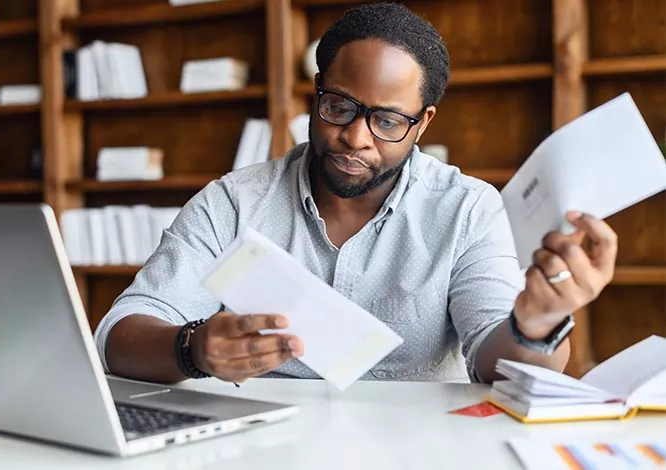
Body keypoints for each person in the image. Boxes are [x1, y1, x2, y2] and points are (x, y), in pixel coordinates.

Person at [94, 3, 618, 385]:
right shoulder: (233, 202)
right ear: (316, 90)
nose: (355, 136)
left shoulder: (466, 209)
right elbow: (119, 335)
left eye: (387, 120)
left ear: (423, 122)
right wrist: (192, 349)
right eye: (339, 106)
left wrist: (536, 323)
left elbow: (494, 364)